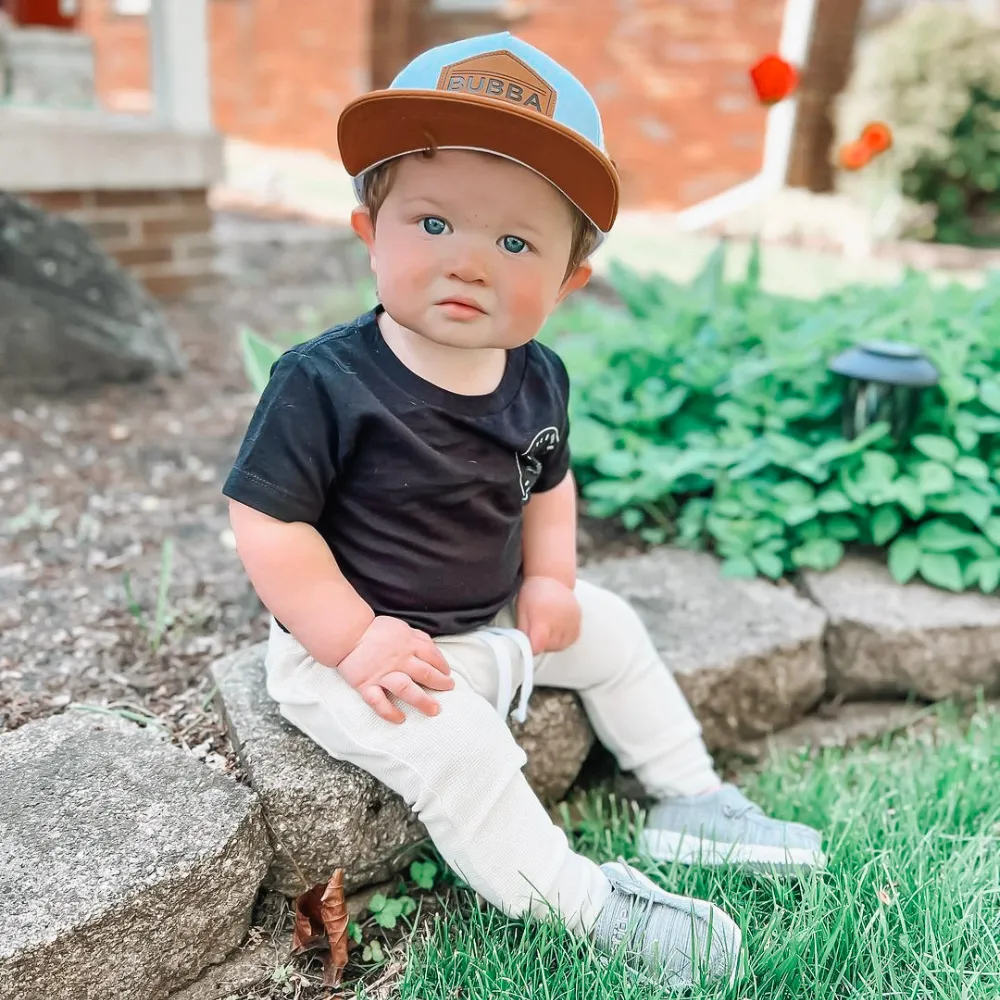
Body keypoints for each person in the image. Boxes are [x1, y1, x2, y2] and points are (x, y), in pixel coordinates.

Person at [223, 32, 825, 989]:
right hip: (366, 651)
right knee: (454, 743)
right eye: (431, 224)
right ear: (366, 231)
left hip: (491, 611)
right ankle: (582, 902)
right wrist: (353, 639)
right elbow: (270, 524)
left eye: (514, 242)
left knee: (614, 630)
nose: (469, 263)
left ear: (567, 280)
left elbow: (549, 483)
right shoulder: (324, 382)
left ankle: (692, 796)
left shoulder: (537, 376)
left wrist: (550, 577)